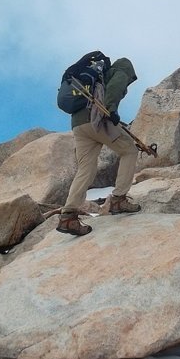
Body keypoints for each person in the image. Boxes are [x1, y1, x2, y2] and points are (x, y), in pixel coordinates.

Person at [57, 56, 141, 237]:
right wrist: (112, 109)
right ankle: (118, 199)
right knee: (129, 151)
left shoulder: (91, 76)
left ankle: (68, 216)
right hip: (96, 117)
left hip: (78, 125)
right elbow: (116, 85)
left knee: (86, 168)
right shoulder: (122, 68)